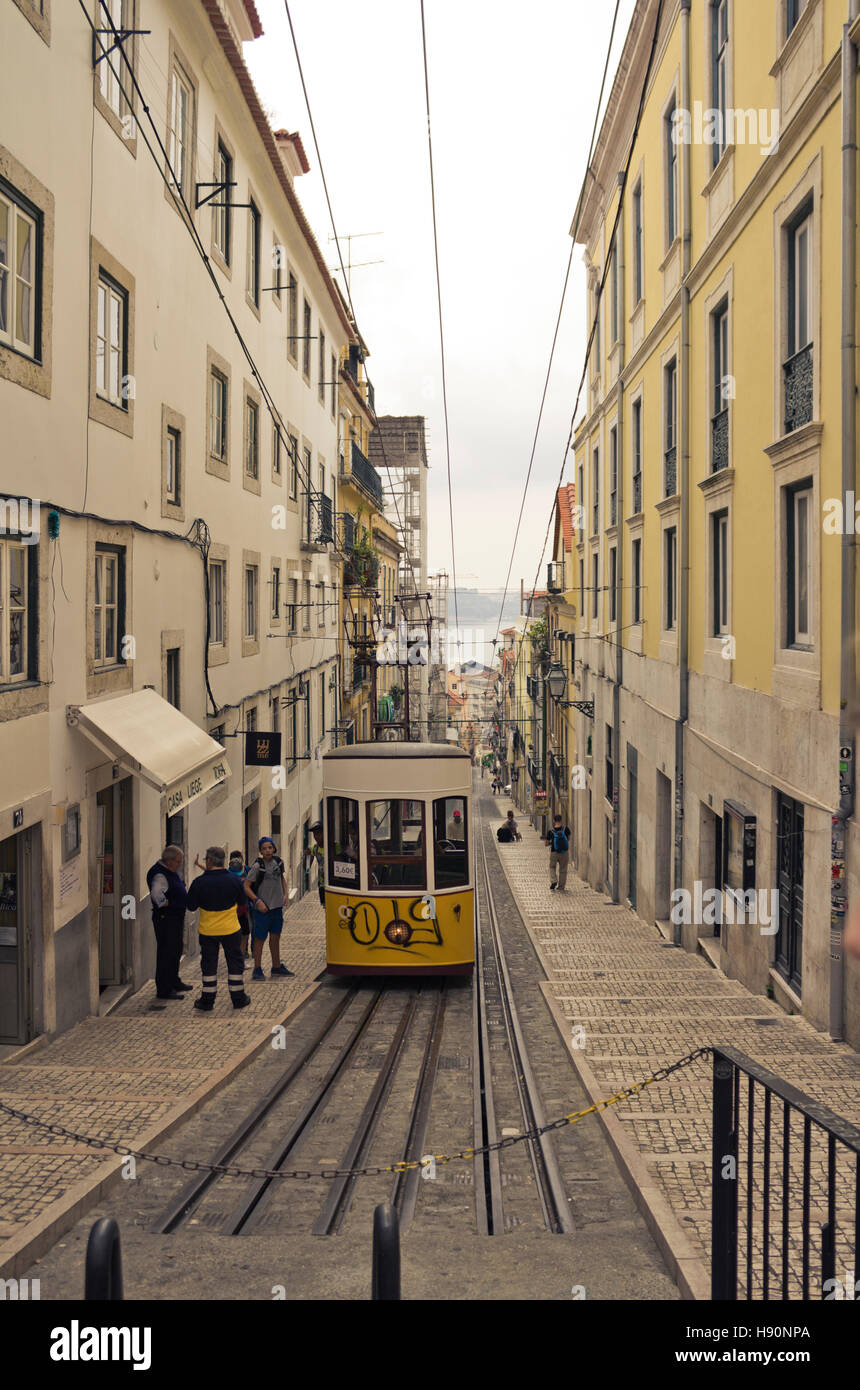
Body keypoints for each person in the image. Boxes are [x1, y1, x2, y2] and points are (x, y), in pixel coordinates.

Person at [185, 846, 251, 1012]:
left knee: (209, 965)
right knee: (235, 963)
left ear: (208, 861)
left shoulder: (199, 883)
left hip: (208, 931)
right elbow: (243, 902)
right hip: (231, 928)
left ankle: (207, 1001)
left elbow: (191, 906)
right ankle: (238, 998)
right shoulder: (235, 881)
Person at [244, 837, 293, 981]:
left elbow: (282, 879)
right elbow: (246, 886)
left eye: (270, 847)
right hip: (262, 908)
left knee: (275, 937)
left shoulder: (279, 862)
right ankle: (257, 969)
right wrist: (257, 901)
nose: (267, 850)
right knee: (259, 938)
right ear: (260, 851)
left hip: (277, 907)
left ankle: (276, 967)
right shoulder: (257, 867)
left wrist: (285, 894)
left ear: (274, 849)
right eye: (264, 848)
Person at [146, 845, 190, 1001]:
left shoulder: (168, 871)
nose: (179, 864)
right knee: (166, 953)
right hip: (167, 919)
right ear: (170, 861)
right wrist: (170, 903)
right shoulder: (159, 874)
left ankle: (174, 981)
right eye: (178, 862)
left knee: (175, 950)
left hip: (174, 918)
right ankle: (164, 989)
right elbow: (157, 896)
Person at [228, 851, 251, 960]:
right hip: (238, 910)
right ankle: (239, 956)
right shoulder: (227, 876)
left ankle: (240, 955)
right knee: (241, 933)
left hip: (241, 909)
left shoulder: (247, 870)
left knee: (243, 932)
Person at [546, 814, 571, 891]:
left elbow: (546, 844)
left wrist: (552, 842)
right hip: (564, 852)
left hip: (554, 852)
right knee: (563, 869)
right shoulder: (566, 829)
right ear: (561, 820)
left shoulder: (551, 831)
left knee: (552, 867)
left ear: (554, 821)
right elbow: (568, 838)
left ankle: (554, 880)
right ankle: (561, 887)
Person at [305, 821, 325, 906]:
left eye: (319, 834)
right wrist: (307, 857)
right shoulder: (314, 849)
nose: (316, 837)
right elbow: (307, 869)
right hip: (322, 884)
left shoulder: (333, 846)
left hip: (332, 884)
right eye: (315, 835)